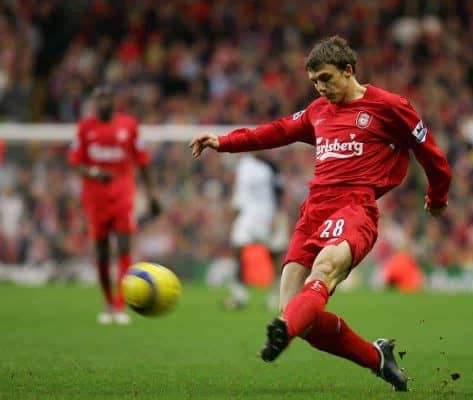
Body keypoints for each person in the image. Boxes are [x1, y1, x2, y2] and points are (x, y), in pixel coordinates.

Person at [190, 36, 451, 392]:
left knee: (323, 272)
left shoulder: (390, 106)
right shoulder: (318, 111)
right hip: (312, 211)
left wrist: (437, 196)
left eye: (326, 78)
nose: (320, 87)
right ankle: (377, 358)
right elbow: (278, 130)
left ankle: (284, 332)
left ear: (348, 70)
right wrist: (225, 142)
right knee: (298, 313)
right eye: (314, 81)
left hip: (356, 206)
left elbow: (431, 153)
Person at [69, 85, 161, 325]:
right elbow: (75, 162)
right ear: (94, 103)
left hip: (122, 193)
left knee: (123, 246)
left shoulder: (128, 126)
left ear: (114, 101)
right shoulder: (84, 128)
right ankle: (108, 301)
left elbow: (142, 161)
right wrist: (93, 172)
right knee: (101, 250)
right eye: (99, 99)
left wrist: (151, 195)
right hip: (95, 197)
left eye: (107, 98)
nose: (103, 103)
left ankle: (121, 304)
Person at [221, 152, 289, 311]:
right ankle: (238, 295)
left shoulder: (271, 166)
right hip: (248, 214)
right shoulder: (244, 164)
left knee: (276, 255)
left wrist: (278, 215)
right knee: (237, 248)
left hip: (269, 214)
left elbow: (280, 191)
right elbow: (239, 191)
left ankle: (276, 296)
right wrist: (235, 212)